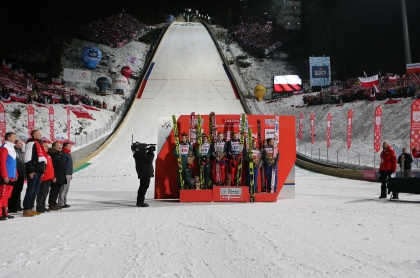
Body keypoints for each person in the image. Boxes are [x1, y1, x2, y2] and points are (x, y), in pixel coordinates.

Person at [23, 130, 46, 217]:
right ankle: (26, 208)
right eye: (39, 133)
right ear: (34, 135)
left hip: (39, 171)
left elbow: (42, 159)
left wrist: (42, 170)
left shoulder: (39, 144)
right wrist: (30, 170)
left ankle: (31, 207)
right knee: (31, 190)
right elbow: (27, 158)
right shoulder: (31, 143)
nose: (40, 135)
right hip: (34, 171)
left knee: (35, 190)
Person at [0, 132, 17, 220]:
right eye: (13, 137)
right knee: (2, 196)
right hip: (5, 176)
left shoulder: (12, 148)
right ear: (9, 138)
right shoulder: (4, 148)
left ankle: (5, 212)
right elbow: (2, 163)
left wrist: (15, 173)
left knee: (7, 196)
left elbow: (13, 162)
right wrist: (4, 175)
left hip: (11, 175)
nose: (15, 138)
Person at [36, 142, 54, 212]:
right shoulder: (41, 155)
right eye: (45, 146)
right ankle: (39, 206)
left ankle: (43, 205)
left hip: (49, 176)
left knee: (46, 192)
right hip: (43, 176)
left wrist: (52, 175)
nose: (47, 148)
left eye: (47, 146)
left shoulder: (48, 155)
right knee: (41, 192)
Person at [8, 139, 25, 213]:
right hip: (16, 173)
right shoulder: (14, 151)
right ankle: (12, 207)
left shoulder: (22, 152)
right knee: (14, 191)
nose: (22, 144)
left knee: (19, 190)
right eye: (20, 143)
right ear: (15, 144)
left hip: (22, 174)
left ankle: (17, 205)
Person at [48, 142, 66, 210]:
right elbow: (53, 166)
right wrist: (54, 176)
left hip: (60, 176)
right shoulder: (53, 155)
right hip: (56, 176)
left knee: (57, 191)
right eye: (57, 146)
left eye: (59, 145)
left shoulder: (59, 154)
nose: (59, 147)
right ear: (54, 147)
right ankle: (51, 204)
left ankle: (54, 203)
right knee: (53, 190)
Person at [59, 142, 73, 208]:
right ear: (65, 147)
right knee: (63, 188)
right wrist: (63, 173)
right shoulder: (64, 154)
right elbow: (63, 164)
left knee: (66, 188)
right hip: (65, 173)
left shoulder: (68, 154)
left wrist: (70, 174)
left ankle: (64, 202)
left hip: (68, 173)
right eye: (69, 146)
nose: (70, 147)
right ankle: (61, 203)